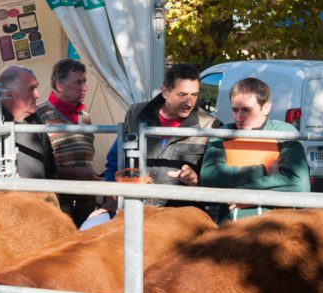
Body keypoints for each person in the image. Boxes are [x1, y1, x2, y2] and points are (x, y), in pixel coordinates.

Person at [81, 63, 220, 229]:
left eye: (194, 95)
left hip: (177, 217)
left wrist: (196, 180)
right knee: (87, 229)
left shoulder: (211, 126)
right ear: (164, 91)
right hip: (131, 208)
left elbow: (217, 180)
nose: (189, 102)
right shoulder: (135, 114)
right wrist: (111, 199)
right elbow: (115, 158)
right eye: (182, 95)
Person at [200, 77, 310, 222]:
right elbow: (209, 177)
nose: (239, 117)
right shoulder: (223, 133)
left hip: (276, 226)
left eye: (246, 110)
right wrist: (263, 171)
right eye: (235, 110)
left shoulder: (283, 133)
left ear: (266, 108)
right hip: (231, 227)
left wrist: (247, 195)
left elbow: (298, 184)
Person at [36, 58, 100, 227]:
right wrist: (72, 173)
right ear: (59, 85)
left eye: (84, 82)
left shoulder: (84, 116)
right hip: (57, 204)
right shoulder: (39, 116)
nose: (85, 88)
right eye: (78, 82)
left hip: (86, 199)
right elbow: (36, 166)